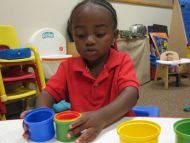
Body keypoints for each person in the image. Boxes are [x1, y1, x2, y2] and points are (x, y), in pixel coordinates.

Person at [20, 0, 139, 142]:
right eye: (81, 35)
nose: (89, 41)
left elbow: (131, 95)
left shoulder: (122, 61)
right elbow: (47, 94)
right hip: (82, 134)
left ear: (114, 36)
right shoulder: (67, 67)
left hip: (118, 130)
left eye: (99, 34)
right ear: (73, 36)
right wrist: (41, 114)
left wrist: (101, 118)